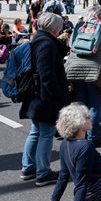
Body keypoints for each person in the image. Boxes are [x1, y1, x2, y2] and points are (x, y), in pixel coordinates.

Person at [20, 13, 69, 186]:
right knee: (46, 133)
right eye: (60, 26)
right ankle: (42, 172)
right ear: (54, 27)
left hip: (37, 96)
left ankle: (28, 168)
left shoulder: (38, 39)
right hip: (45, 97)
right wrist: (57, 94)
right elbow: (46, 73)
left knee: (36, 132)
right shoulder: (46, 44)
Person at [65, 6, 101, 147]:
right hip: (95, 69)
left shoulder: (79, 26)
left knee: (82, 103)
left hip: (74, 68)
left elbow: (71, 45)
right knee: (95, 104)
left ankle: (81, 134)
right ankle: (93, 137)